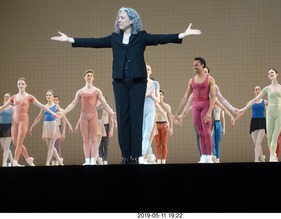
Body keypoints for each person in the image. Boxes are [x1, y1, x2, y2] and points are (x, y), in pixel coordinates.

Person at [50, 7, 201, 164]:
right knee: (123, 118)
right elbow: (94, 42)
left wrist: (182, 35)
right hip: (120, 82)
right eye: (118, 18)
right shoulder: (115, 38)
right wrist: (70, 40)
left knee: (136, 118)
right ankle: (126, 156)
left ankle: (136, 156)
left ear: (132, 20)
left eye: (122, 17)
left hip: (137, 82)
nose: (119, 20)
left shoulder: (140, 37)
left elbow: (159, 39)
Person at [238, 69, 281, 162]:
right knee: (269, 136)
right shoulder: (266, 89)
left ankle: (272, 157)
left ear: (277, 74)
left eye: (272, 72)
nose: (270, 74)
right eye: (269, 73)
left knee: (275, 135)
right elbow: (254, 100)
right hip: (270, 112)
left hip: (279, 111)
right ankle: (272, 155)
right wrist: (243, 109)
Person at [0, 78, 61, 167]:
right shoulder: (13, 97)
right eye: (19, 84)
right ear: (17, 85)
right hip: (14, 120)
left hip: (23, 120)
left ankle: (15, 162)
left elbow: (41, 105)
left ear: (25, 85)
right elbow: (2, 107)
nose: (21, 85)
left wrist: (52, 113)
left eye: (22, 84)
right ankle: (28, 159)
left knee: (20, 141)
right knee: (15, 142)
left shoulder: (29, 97)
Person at [61, 69, 116, 165]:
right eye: (88, 75)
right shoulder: (80, 91)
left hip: (93, 116)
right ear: (85, 78)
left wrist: (111, 113)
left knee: (94, 139)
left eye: (91, 75)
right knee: (85, 139)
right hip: (84, 116)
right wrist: (63, 112)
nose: (89, 77)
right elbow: (73, 104)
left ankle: (93, 160)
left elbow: (104, 104)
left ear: (93, 78)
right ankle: (87, 160)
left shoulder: (97, 91)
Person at [174, 57, 216, 163]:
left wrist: (210, 111)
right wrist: (177, 113)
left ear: (202, 65)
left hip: (205, 105)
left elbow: (213, 96)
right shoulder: (191, 81)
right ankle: (203, 157)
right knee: (200, 132)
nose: (194, 67)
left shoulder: (210, 79)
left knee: (207, 132)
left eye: (196, 65)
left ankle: (210, 157)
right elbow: (185, 97)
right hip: (196, 107)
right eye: (193, 65)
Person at [28, 90, 73, 166]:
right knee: (50, 146)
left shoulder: (56, 106)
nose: (48, 96)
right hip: (46, 125)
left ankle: (47, 162)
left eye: (49, 95)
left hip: (53, 125)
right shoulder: (43, 106)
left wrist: (69, 125)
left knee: (51, 145)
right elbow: (38, 117)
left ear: (52, 97)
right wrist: (32, 127)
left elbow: (63, 116)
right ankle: (59, 160)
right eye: (47, 95)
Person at [235, 86, 268, 162]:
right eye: (256, 89)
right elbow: (243, 111)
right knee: (256, 143)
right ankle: (262, 158)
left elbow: (273, 108)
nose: (257, 90)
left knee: (258, 142)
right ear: (254, 92)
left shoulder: (265, 101)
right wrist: (235, 119)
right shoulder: (251, 102)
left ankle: (256, 160)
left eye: (259, 89)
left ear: (261, 91)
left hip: (262, 122)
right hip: (254, 122)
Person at [140, 64, 160, 164]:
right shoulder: (139, 83)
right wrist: (147, 93)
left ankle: (141, 156)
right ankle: (150, 155)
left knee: (147, 134)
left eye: (148, 69)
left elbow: (158, 100)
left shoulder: (155, 83)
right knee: (142, 134)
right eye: (145, 69)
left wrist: (151, 94)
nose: (147, 71)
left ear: (150, 71)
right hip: (141, 109)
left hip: (150, 108)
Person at [154, 90, 173, 164]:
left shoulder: (167, 106)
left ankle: (164, 160)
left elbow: (170, 117)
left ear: (163, 96)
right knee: (157, 144)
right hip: (156, 125)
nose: (160, 95)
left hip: (164, 125)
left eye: (161, 94)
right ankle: (158, 160)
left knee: (164, 143)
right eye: (158, 94)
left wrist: (171, 128)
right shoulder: (154, 105)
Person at [98, 96, 115, 165]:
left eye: (104, 100)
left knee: (106, 144)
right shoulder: (98, 108)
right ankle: (100, 159)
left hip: (106, 126)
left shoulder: (109, 109)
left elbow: (112, 120)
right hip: (99, 126)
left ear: (106, 101)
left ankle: (105, 160)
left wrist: (111, 130)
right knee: (99, 144)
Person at [0, 93, 14, 167]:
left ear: (10, 98)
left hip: (9, 127)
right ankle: (13, 162)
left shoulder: (12, 108)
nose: (6, 98)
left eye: (8, 97)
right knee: (4, 148)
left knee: (6, 148)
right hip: (1, 127)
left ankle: (4, 163)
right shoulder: (1, 107)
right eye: (5, 96)